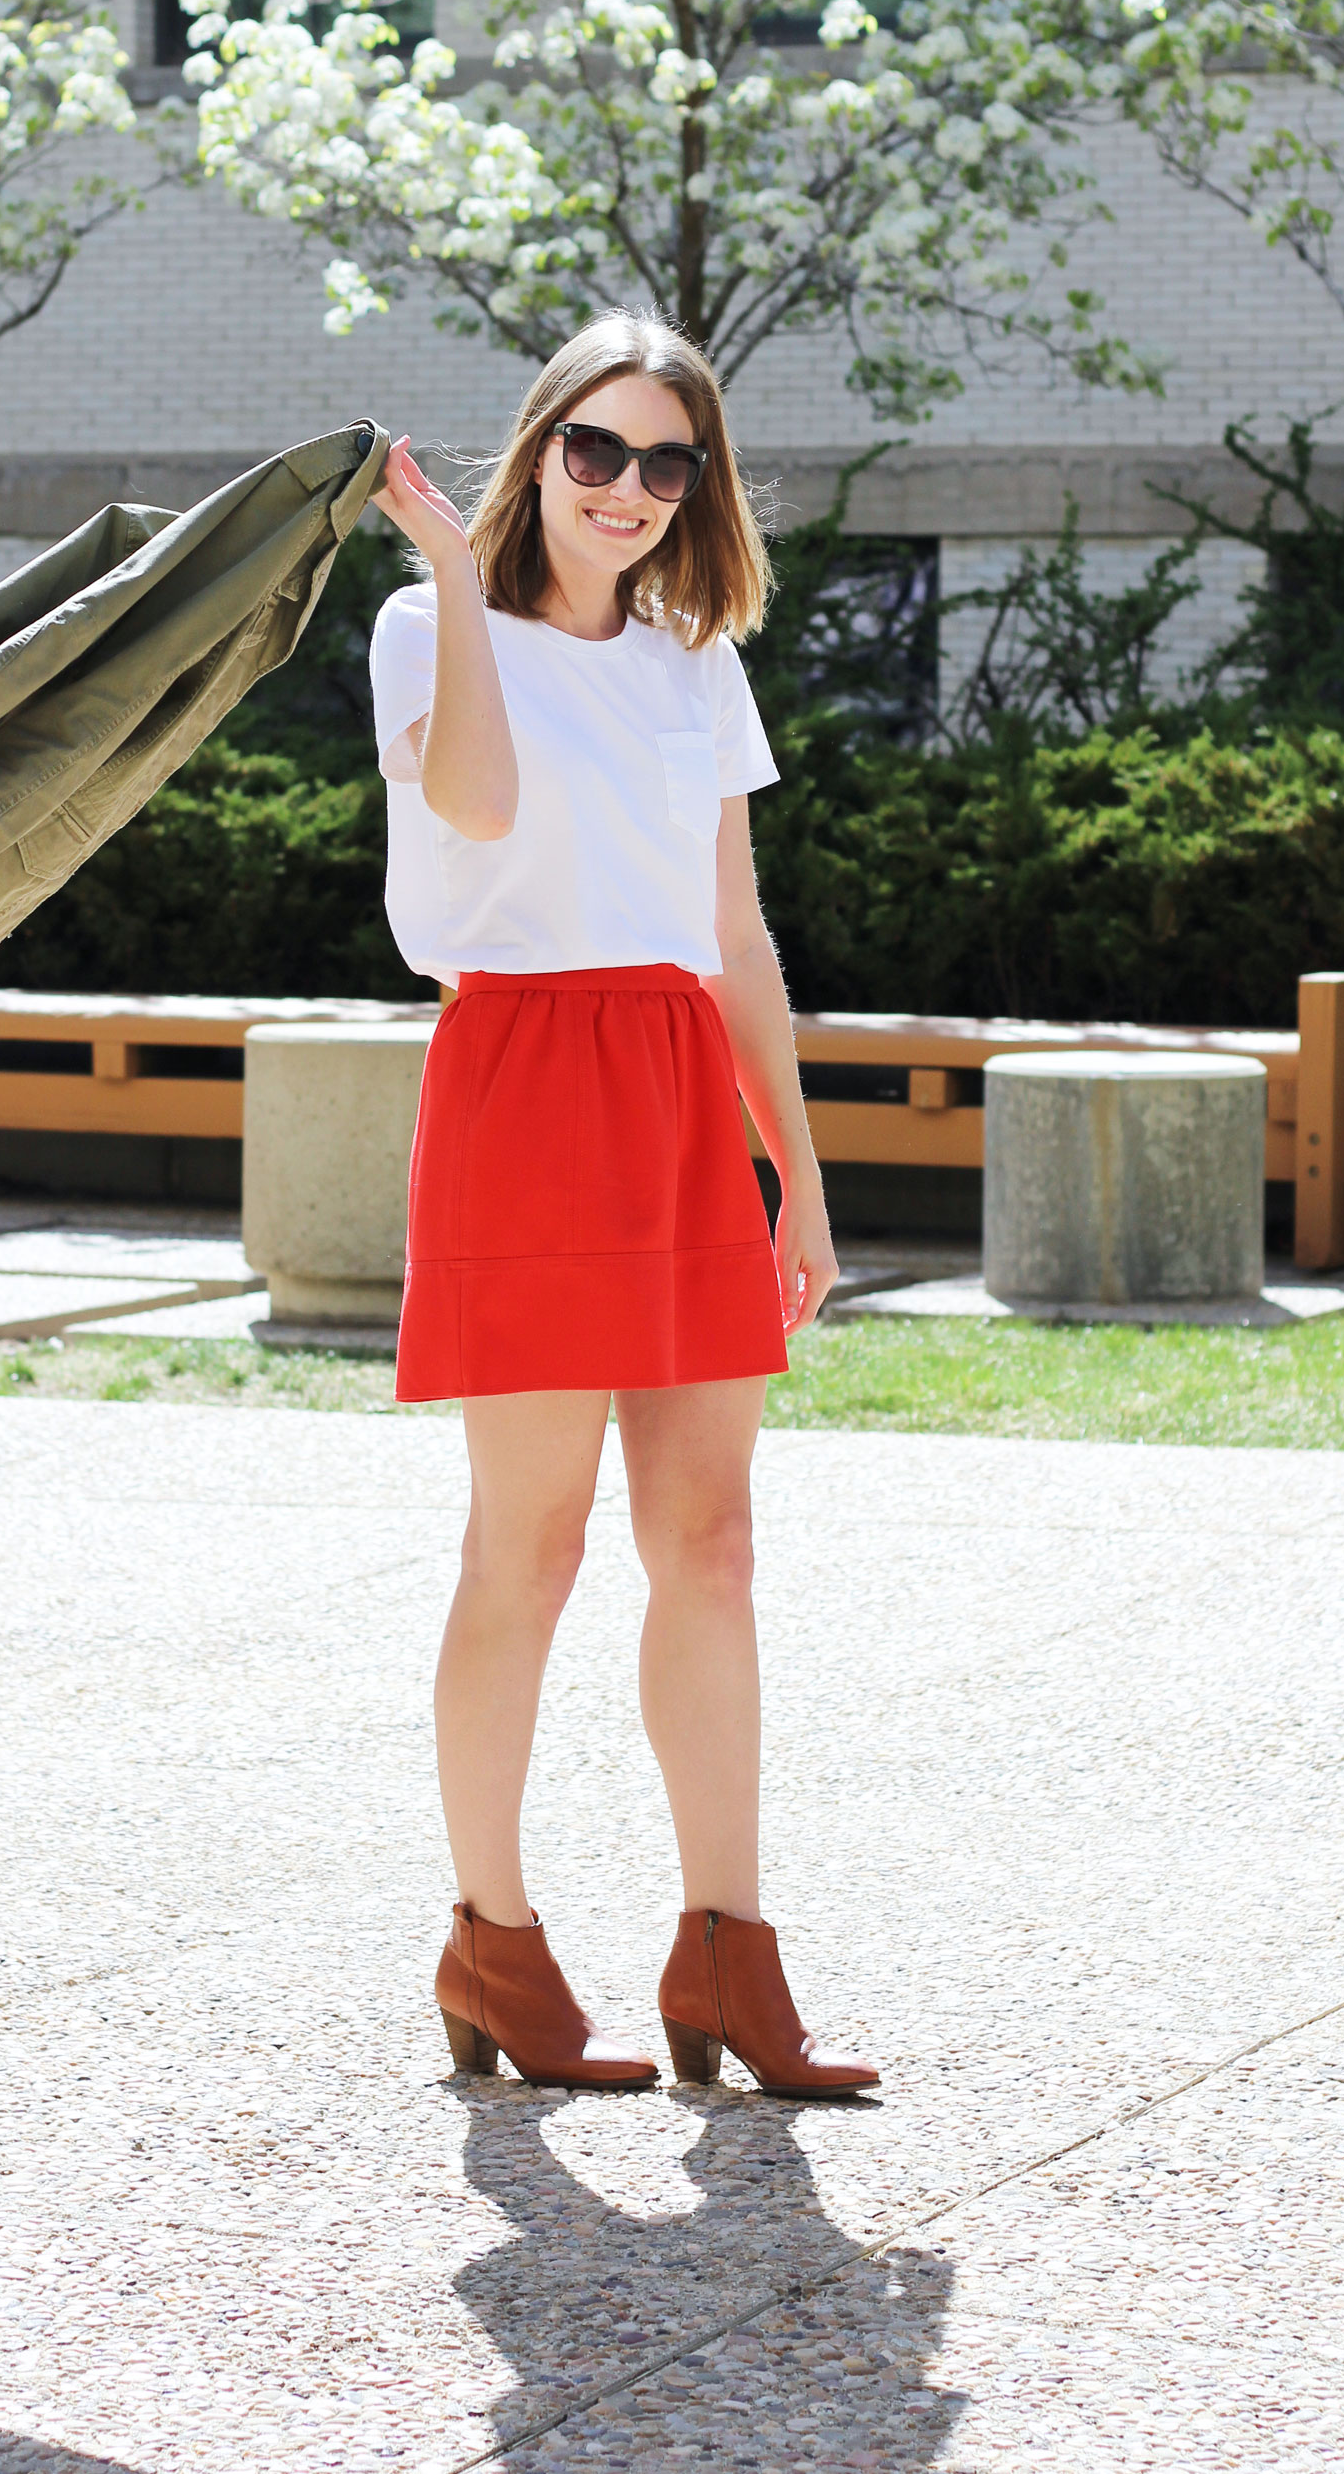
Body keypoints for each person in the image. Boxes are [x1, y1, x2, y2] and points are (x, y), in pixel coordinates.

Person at [369, 311, 879, 2101]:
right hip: (517, 1077)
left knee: (714, 1545)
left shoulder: (696, 662)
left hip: (676, 1091)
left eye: (671, 463)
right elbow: (482, 803)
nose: (634, 492)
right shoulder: (430, 627)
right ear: (539, 453)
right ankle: (492, 1944)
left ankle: (729, 1955)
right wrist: (446, 557)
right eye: (598, 451)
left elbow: (735, 937)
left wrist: (796, 1175)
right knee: (531, 1544)